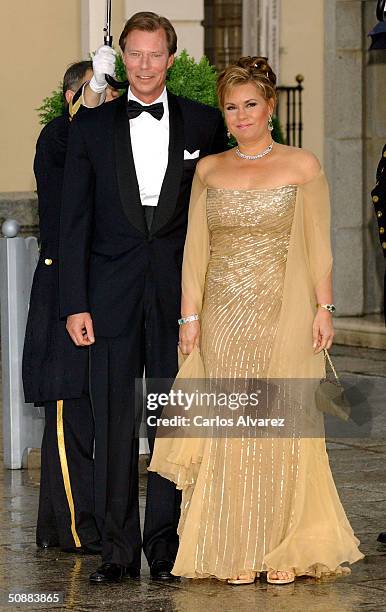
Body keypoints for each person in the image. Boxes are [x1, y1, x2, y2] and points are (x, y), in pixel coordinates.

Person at [149, 56, 363, 585]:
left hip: (283, 316)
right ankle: (231, 546)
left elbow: (319, 245)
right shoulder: (208, 169)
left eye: (250, 105)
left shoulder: (303, 166)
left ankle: (283, 548)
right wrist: (189, 318)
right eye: (231, 107)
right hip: (221, 318)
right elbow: (195, 250)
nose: (241, 116)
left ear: (270, 107)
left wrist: (324, 308)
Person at [58, 11, 227, 583]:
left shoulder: (205, 126)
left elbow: (218, 219)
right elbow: (72, 223)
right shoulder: (88, 130)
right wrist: (74, 303)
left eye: (157, 54)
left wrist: (212, 301)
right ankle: (118, 552)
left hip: (178, 297)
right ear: (121, 57)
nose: (146, 65)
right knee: (113, 421)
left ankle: (166, 546)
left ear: (171, 59)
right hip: (107, 297)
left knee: (171, 421)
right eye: (136, 54)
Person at [23, 61, 102, 553]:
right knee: (67, 416)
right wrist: (93, 95)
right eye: (97, 93)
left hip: (97, 298)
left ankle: (62, 527)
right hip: (62, 301)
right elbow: (70, 143)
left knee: (85, 415)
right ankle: (75, 526)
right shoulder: (58, 138)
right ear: (74, 97)